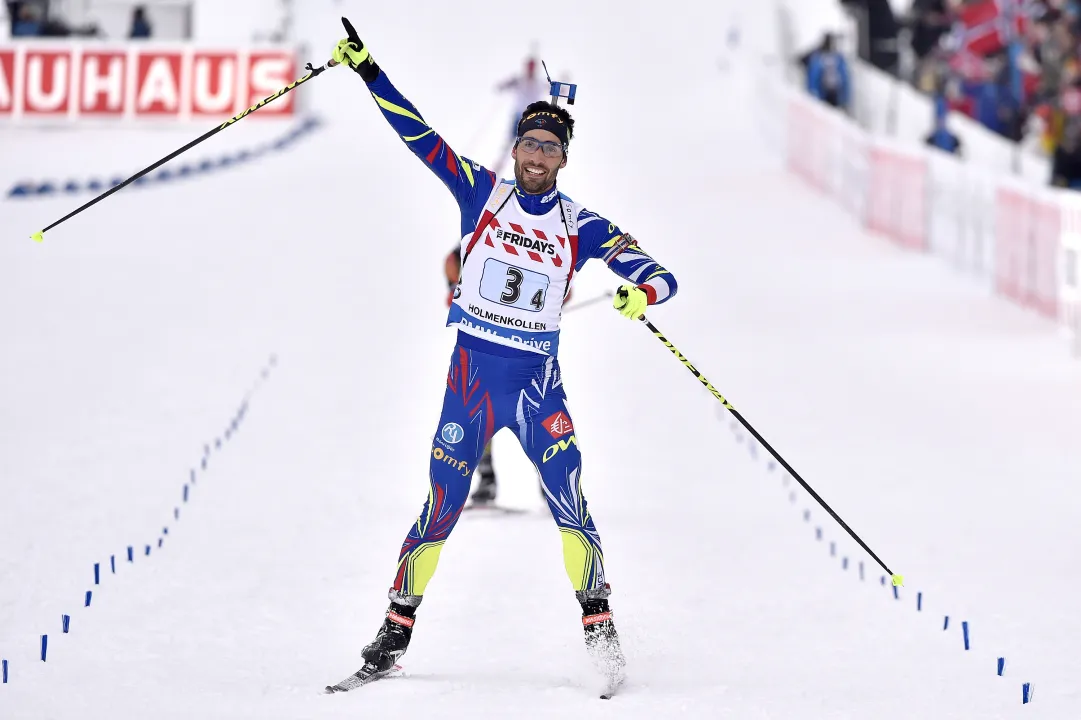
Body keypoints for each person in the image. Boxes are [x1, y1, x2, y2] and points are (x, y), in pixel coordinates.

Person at [326, 30, 678, 692]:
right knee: (440, 508)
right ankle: (393, 634)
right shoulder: (481, 191)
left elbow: (657, 271)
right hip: (471, 383)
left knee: (570, 502)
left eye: (551, 147)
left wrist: (640, 291)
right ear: (514, 146)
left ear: (563, 158)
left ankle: (600, 632)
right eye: (530, 143)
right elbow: (417, 136)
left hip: (537, 388)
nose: (538, 155)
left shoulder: (579, 223)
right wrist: (369, 71)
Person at [805, 33, 851, 110]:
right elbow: (813, 77)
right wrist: (812, 93)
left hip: (835, 92)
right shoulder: (818, 57)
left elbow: (844, 77)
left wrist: (845, 97)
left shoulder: (838, 58)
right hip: (823, 92)